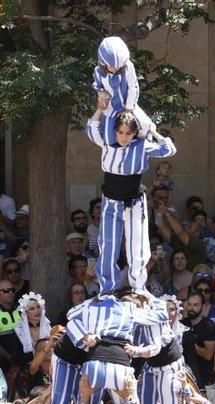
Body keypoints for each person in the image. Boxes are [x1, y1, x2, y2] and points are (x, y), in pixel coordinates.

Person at [85, 94, 176, 295]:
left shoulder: (142, 146)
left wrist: (153, 131)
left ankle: (138, 287)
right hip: (110, 200)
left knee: (137, 246)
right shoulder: (108, 143)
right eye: (120, 132)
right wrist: (100, 109)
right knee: (108, 245)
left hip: (134, 201)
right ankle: (107, 288)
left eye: (128, 133)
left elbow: (169, 149)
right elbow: (91, 130)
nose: (123, 137)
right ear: (115, 132)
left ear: (134, 134)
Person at [135, 294, 188, 404]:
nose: (168, 313)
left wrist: (135, 350)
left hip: (171, 368)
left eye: (171, 309)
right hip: (151, 367)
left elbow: (155, 348)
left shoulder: (163, 321)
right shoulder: (140, 322)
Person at [93, 36, 154, 141]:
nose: (115, 68)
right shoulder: (98, 71)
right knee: (108, 137)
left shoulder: (128, 67)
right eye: (111, 66)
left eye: (118, 66)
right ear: (103, 63)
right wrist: (101, 94)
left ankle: (141, 147)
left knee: (144, 125)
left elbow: (133, 87)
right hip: (110, 108)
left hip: (128, 105)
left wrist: (128, 110)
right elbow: (98, 87)